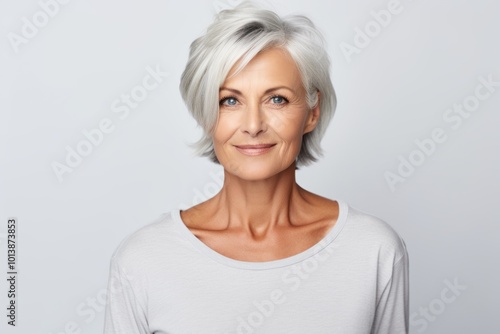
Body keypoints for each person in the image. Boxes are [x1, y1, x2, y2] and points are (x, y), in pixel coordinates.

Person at [103, 2, 409, 333]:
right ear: (205, 115)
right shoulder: (144, 260)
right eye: (229, 100)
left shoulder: (372, 250)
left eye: (276, 99)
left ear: (312, 111)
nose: (253, 125)